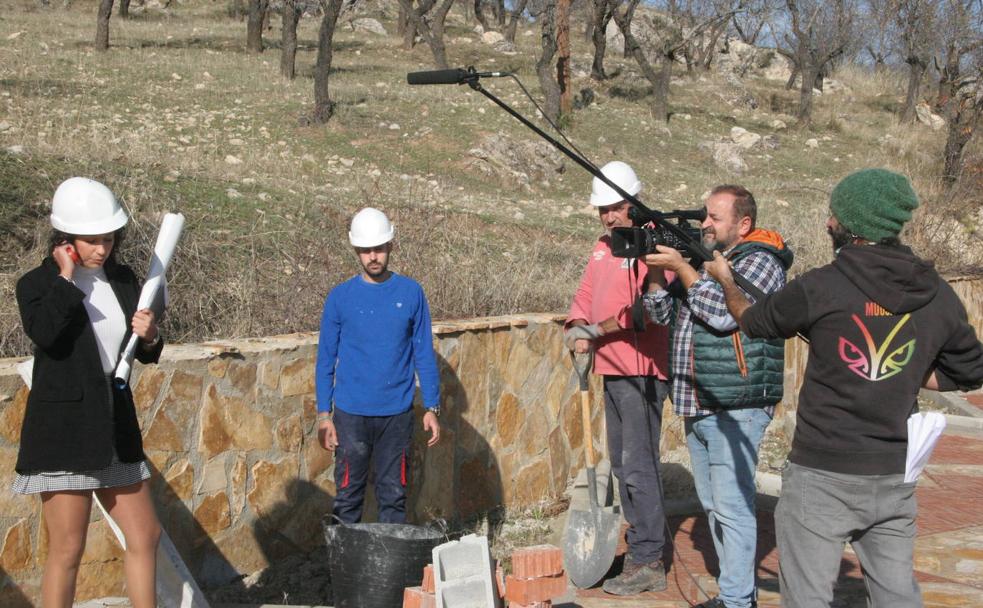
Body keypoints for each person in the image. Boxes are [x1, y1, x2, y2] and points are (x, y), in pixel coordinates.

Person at [705, 168, 983, 608]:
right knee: (898, 599)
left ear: (848, 224)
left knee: (808, 599)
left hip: (821, 476)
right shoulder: (938, 294)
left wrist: (726, 280)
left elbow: (753, 321)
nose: (827, 223)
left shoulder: (821, 286)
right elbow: (970, 370)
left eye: (833, 215)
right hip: (893, 476)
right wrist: (906, 367)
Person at [14, 177, 164, 608]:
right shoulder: (36, 284)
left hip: (115, 424)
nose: (103, 248)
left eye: (110, 239)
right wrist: (65, 278)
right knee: (67, 549)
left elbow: (144, 352)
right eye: (93, 240)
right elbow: (45, 334)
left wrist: (150, 336)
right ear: (65, 239)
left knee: (145, 534)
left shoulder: (123, 280)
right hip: (64, 432)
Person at [642, 185, 792, 608]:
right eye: (704, 216)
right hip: (697, 402)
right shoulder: (703, 262)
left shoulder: (761, 262)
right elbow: (658, 314)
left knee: (733, 507)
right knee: (714, 506)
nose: (705, 223)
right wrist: (658, 268)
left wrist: (685, 271)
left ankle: (738, 601)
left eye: (715, 217)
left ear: (744, 224)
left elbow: (725, 315)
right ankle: (734, 595)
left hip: (737, 405)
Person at [564, 161, 672, 596]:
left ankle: (650, 559)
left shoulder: (651, 247)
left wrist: (593, 331)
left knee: (639, 468)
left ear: (633, 204)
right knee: (623, 464)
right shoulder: (602, 245)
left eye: (614, 208)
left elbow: (641, 313)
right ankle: (637, 547)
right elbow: (587, 293)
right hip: (612, 370)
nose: (608, 217)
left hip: (642, 371)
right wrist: (576, 322)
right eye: (602, 210)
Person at [315, 207, 441, 524]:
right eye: (366, 250)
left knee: (394, 498)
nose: (373, 256)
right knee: (346, 500)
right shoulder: (340, 298)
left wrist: (432, 406)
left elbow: (423, 351)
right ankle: (345, 572)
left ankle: (392, 574)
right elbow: (326, 359)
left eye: (379, 248)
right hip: (350, 416)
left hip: (395, 416)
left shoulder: (411, 293)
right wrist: (323, 414)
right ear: (356, 250)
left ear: (391, 246)